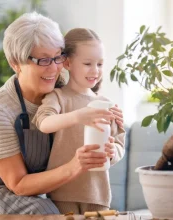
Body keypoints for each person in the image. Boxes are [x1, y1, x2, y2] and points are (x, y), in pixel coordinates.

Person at [0, 12, 119, 215]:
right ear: (15, 63)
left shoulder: (60, 89)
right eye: (43, 60)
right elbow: (18, 184)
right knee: (44, 211)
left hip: (24, 192)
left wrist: (113, 120)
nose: (54, 68)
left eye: (57, 57)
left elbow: (87, 101)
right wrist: (74, 166)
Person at [32, 28, 126, 214]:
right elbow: (43, 123)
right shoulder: (58, 97)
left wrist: (112, 152)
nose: (95, 70)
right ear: (67, 63)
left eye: (100, 64)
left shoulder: (106, 104)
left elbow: (119, 144)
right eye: (87, 63)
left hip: (98, 194)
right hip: (62, 194)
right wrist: (78, 116)